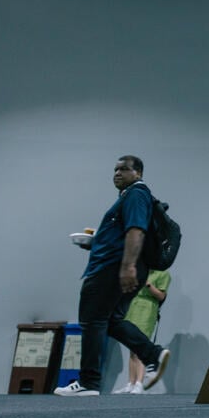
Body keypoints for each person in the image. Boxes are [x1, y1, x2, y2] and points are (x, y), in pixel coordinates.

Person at [55, 156, 172, 397]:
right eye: (115, 169)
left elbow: (136, 230)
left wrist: (128, 266)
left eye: (124, 169)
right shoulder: (129, 196)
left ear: (137, 173)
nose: (117, 173)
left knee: (92, 320)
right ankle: (154, 354)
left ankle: (88, 382)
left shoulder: (136, 194)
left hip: (112, 268)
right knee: (111, 321)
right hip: (116, 265)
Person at [113, 269, 171, 394]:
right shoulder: (140, 270)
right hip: (132, 307)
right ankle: (131, 383)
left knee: (141, 345)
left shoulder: (162, 274)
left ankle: (139, 383)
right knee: (131, 347)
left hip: (146, 309)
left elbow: (161, 296)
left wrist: (148, 284)